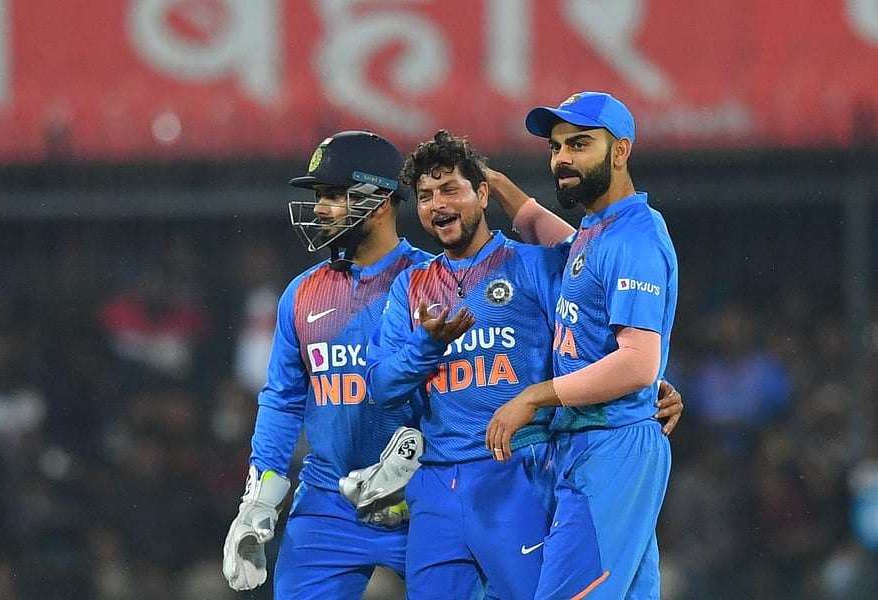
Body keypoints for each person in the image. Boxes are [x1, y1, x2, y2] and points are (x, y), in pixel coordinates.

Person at [366, 130, 683, 599]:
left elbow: (602, 320)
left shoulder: (537, 267)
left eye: (451, 189)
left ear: (483, 194)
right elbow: (380, 386)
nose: (438, 204)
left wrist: (649, 381)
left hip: (521, 475)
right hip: (435, 487)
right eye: (426, 196)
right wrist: (425, 347)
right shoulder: (409, 287)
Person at [221, 130, 433, 598]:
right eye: (319, 196)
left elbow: (465, 395)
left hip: (421, 499)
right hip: (327, 502)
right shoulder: (300, 294)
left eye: (334, 195)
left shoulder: (433, 282)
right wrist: (259, 500)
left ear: (379, 201)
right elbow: (282, 401)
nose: (320, 208)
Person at [485, 91, 679, 599]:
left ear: (620, 152)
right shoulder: (600, 230)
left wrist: (532, 396)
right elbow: (564, 249)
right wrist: (503, 189)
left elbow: (638, 364)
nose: (562, 158)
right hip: (597, 442)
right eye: (556, 147)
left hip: (610, 445)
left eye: (580, 144)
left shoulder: (633, 240)